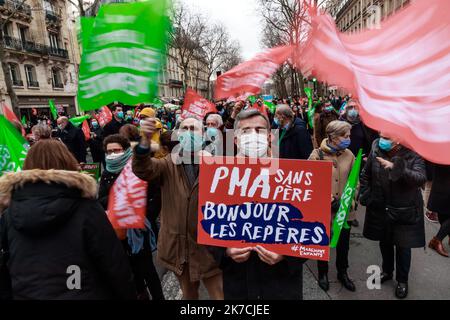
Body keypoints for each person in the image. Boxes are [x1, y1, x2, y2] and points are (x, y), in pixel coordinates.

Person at [0, 139, 136, 300]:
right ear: (67, 161)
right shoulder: (86, 208)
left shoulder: (9, 215)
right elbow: (114, 264)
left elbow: (5, 267)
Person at [208, 110, 306, 300]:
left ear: (270, 137)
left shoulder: (294, 177)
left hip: (282, 286)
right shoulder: (218, 178)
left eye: (259, 130)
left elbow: (313, 231)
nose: (253, 136)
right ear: (236, 140)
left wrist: (286, 254)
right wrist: (225, 252)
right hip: (239, 285)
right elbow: (205, 226)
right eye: (246, 131)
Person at [133, 117, 223, 300]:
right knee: (189, 296)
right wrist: (144, 144)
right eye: (185, 128)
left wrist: (214, 165)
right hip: (180, 248)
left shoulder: (217, 162)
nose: (189, 132)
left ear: (203, 133)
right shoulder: (168, 163)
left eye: (194, 128)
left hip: (210, 247)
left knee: (219, 294)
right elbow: (143, 169)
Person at [98, 134, 164, 300]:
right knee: (129, 270)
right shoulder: (107, 172)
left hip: (139, 228)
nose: (113, 154)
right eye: (109, 151)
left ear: (126, 150)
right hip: (117, 230)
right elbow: (101, 200)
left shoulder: (138, 168)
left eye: (117, 150)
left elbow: (156, 195)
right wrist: (119, 199)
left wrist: (145, 215)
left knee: (147, 269)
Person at [360, 134, 426, 299]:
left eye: (387, 137)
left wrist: (396, 167)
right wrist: (365, 193)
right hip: (380, 207)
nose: (382, 139)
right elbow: (366, 173)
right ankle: (387, 271)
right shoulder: (376, 146)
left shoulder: (413, 151)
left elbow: (420, 179)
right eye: (381, 135)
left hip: (404, 209)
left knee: (403, 246)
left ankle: (402, 281)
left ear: (398, 139)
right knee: (385, 241)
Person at [308, 120, 356, 292]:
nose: (348, 139)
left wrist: (349, 200)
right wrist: (328, 199)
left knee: (344, 245)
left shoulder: (350, 155)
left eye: (348, 135)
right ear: (333, 137)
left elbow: (355, 181)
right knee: (323, 243)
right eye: (345, 136)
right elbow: (310, 183)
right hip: (324, 211)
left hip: (344, 211)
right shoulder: (316, 155)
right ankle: (323, 273)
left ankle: (343, 273)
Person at [427, 165, 450, 257]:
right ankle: (437, 240)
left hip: (441, 182)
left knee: (444, 211)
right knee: (442, 210)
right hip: (442, 181)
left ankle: (442, 237)